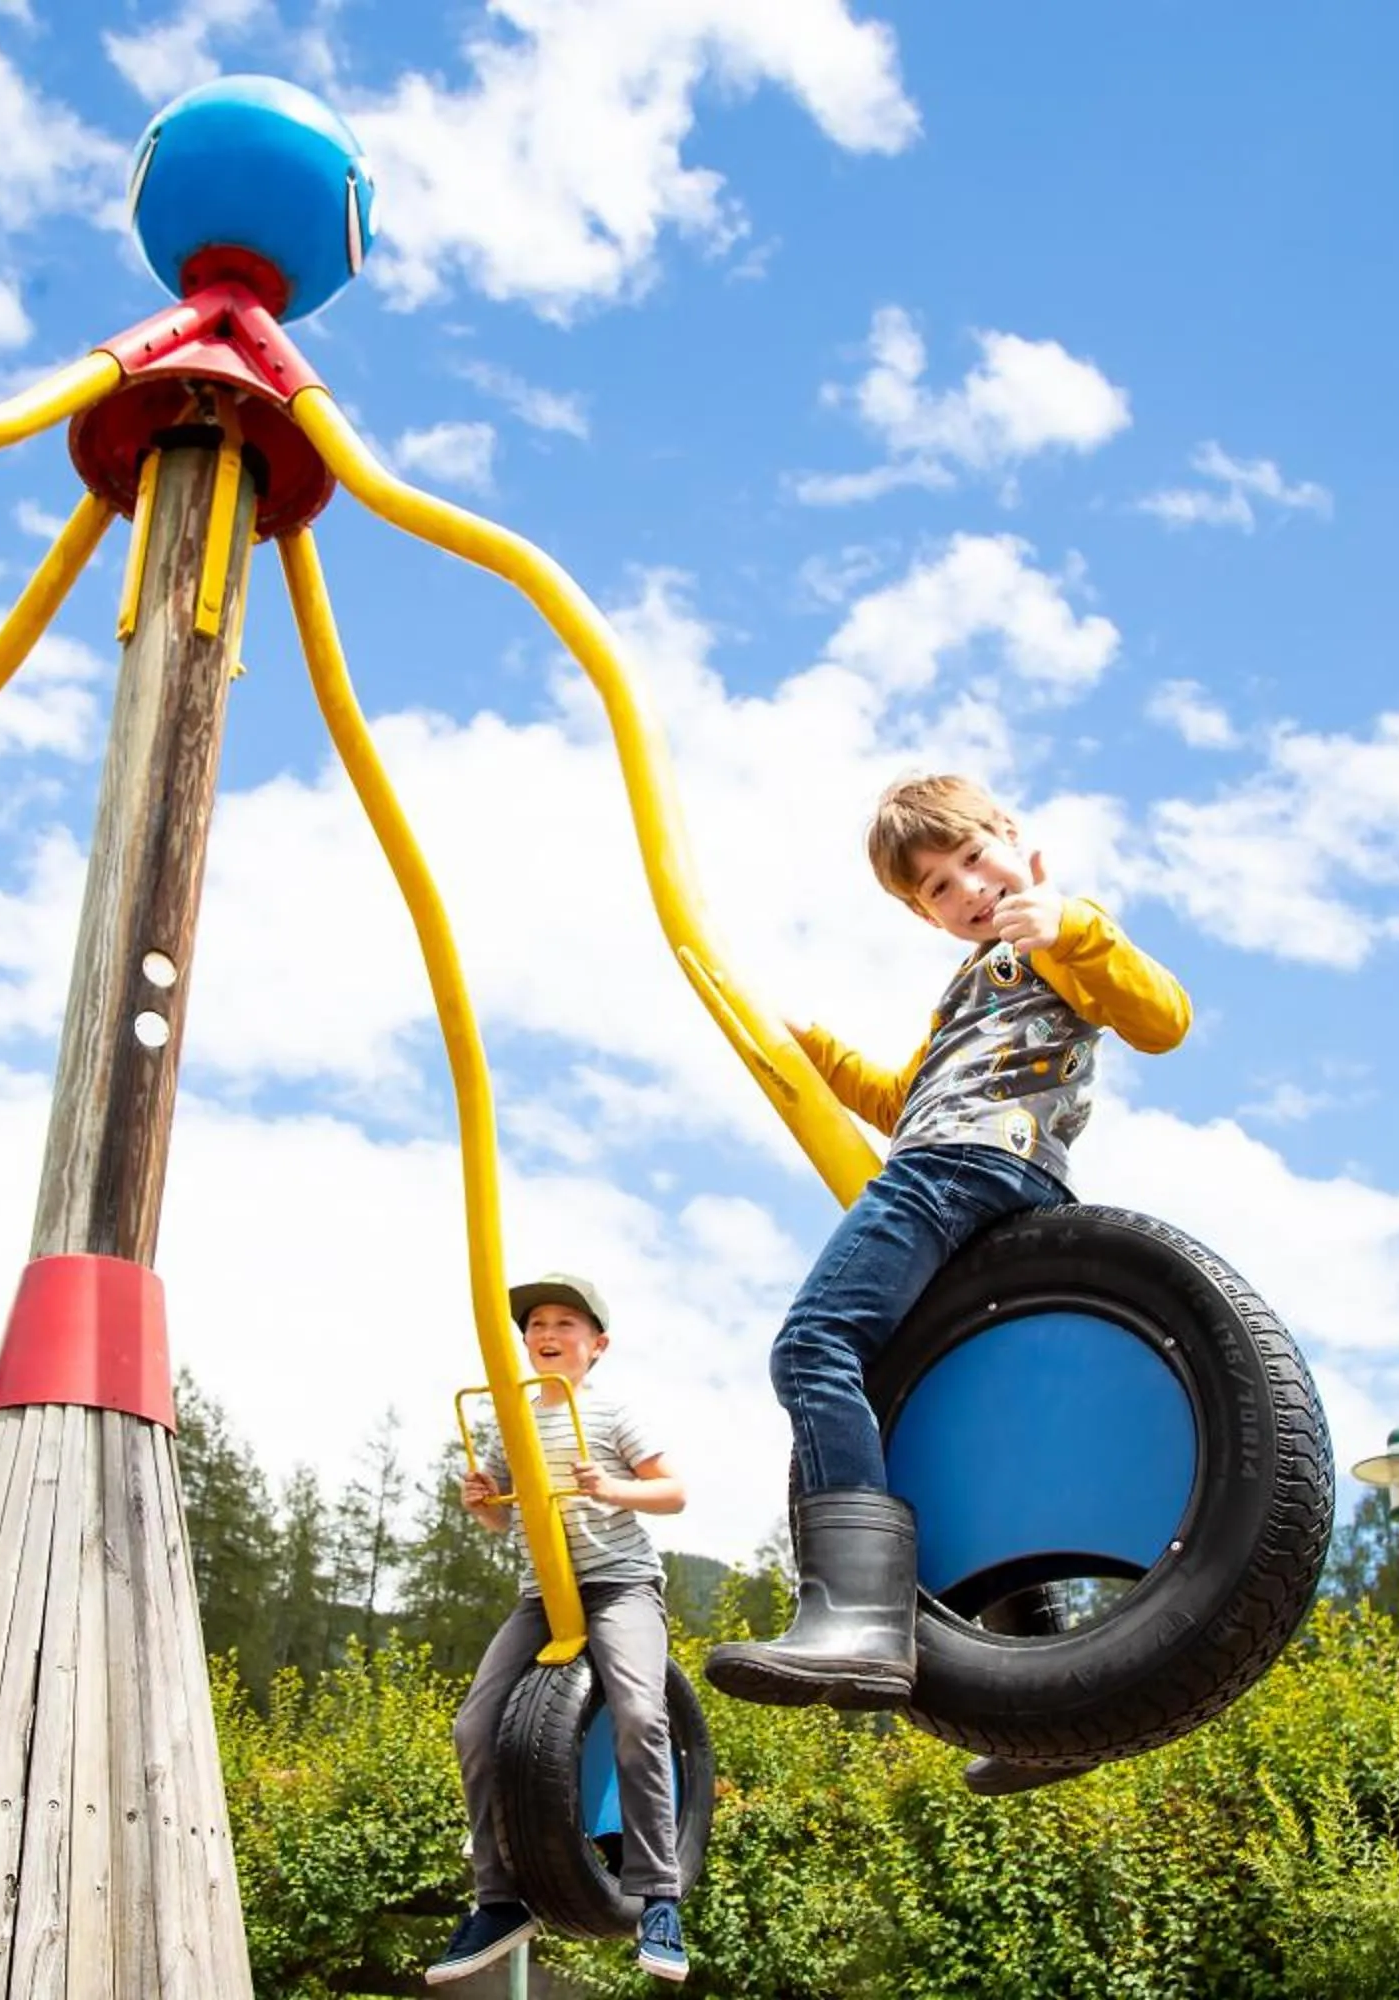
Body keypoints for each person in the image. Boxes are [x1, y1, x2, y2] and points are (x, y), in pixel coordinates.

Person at [703, 774, 1189, 1712]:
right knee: (965, 1397)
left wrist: (1069, 926)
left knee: (815, 1345)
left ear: (1010, 832)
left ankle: (857, 1617)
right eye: (937, 885)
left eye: (973, 856)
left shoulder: (1053, 933)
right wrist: (814, 1050)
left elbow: (1162, 1019)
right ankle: (1035, 1675)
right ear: (922, 914)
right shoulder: (976, 979)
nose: (968, 887)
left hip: (960, 1168)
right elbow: (906, 1102)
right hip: (977, 1167)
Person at [429, 1273, 693, 1987]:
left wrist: (612, 1487)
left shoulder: (610, 1413)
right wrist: (483, 1503)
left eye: (564, 1324)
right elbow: (504, 1517)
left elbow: (672, 1491)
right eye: (537, 1325)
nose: (546, 1334)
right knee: (473, 1727)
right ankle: (499, 1900)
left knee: (640, 1713)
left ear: (597, 1345)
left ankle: (658, 1898)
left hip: (619, 1585)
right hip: (541, 1595)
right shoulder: (508, 1421)